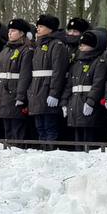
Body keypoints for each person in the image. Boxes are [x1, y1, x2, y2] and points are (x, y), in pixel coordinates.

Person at [22, 14, 69, 146]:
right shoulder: (38, 45)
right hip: (37, 90)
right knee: (40, 127)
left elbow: (58, 71)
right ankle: (43, 149)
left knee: (50, 126)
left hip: (48, 89)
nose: (38, 29)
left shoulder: (57, 45)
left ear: (50, 28)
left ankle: (50, 150)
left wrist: (54, 93)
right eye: (38, 26)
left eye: (41, 26)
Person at [65, 29, 107, 144]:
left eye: (85, 44)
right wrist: (64, 102)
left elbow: (98, 84)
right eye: (81, 44)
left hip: (89, 104)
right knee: (78, 138)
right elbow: (69, 85)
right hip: (75, 104)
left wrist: (91, 101)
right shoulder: (76, 63)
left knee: (89, 137)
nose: (81, 47)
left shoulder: (98, 62)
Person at [0, 19, 32, 141]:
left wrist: (20, 97)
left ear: (22, 33)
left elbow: (25, 75)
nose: (9, 33)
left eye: (13, 31)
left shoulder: (26, 50)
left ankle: (17, 147)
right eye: (9, 31)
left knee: (17, 127)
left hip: (15, 93)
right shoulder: (5, 50)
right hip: (2, 93)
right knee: (7, 128)